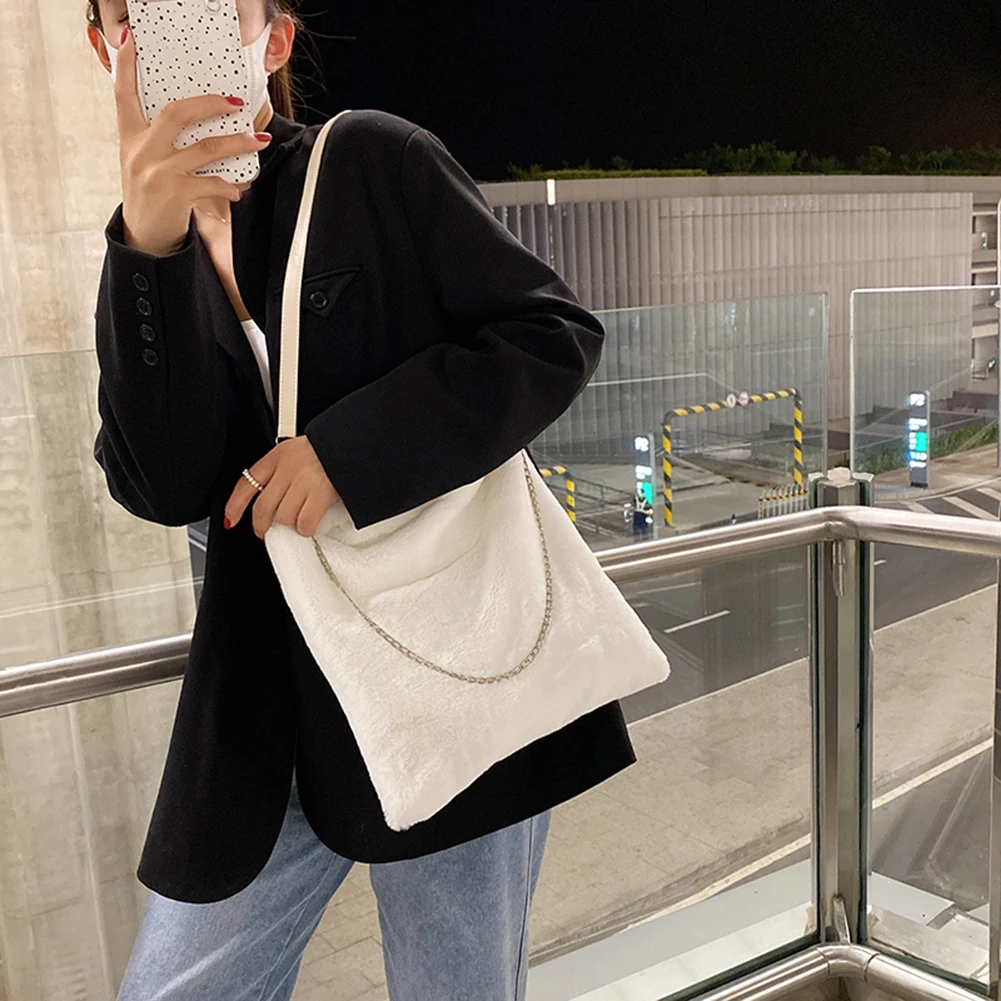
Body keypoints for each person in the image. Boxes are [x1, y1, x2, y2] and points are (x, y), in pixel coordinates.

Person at [86, 1, 636, 998]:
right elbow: (156, 484)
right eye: (137, 16)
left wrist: (346, 454)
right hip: (261, 718)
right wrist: (147, 247)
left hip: (451, 675)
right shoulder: (142, 254)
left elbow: (550, 333)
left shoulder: (372, 162)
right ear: (104, 48)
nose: (170, 26)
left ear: (272, 38)